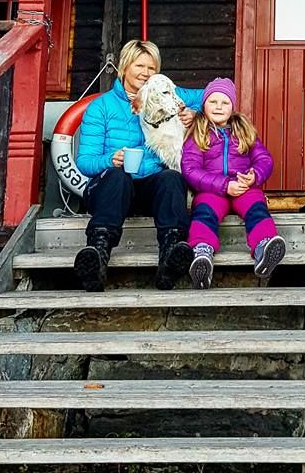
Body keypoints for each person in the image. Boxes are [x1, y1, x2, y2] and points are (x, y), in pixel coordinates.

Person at [73, 40, 203, 292]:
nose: (145, 73)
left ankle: (171, 255)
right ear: (124, 67)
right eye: (139, 65)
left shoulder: (164, 93)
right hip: (108, 192)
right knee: (118, 176)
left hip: (148, 190)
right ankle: (98, 255)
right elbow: (85, 162)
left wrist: (194, 111)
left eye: (151, 68)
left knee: (172, 178)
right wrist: (110, 159)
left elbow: (208, 94)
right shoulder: (101, 107)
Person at [181, 77, 285, 288]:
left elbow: (264, 159)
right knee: (204, 214)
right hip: (211, 189)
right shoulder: (197, 133)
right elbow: (190, 169)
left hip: (244, 187)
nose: (219, 107)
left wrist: (254, 175)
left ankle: (263, 248)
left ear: (233, 106)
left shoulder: (244, 130)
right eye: (213, 102)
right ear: (204, 105)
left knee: (257, 208)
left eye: (224, 102)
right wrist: (222, 184)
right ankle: (202, 252)